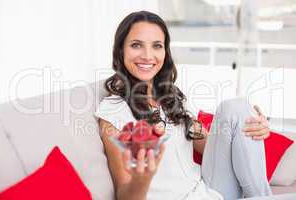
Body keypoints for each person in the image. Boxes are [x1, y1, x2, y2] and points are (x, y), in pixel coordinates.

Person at [95, 11, 272, 200]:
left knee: (236, 107)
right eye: (136, 45)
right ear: (121, 50)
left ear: (165, 52)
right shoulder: (112, 112)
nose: (148, 56)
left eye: (157, 46)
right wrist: (142, 179)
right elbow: (124, 194)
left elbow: (210, 146)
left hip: (209, 191)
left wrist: (249, 126)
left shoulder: (169, 97)